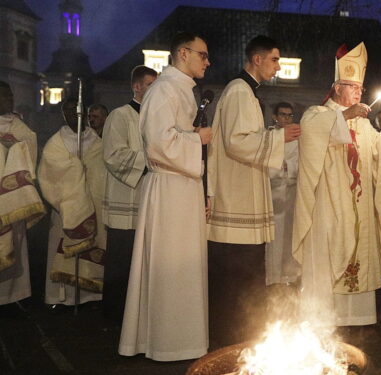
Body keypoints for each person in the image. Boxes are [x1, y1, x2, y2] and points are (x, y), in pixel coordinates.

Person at [119, 32, 212, 361]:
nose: (207, 61)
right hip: (169, 187)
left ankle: (182, 339)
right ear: (183, 53)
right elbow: (159, 143)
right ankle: (166, 340)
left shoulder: (179, 88)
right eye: (202, 55)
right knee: (170, 264)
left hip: (182, 187)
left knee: (183, 264)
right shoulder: (163, 90)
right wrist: (198, 139)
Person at [206, 35, 300, 346]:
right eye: (274, 60)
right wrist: (278, 138)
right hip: (236, 201)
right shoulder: (238, 91)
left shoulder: (247, 92)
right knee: (236, 278)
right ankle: (230, 343)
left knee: (245, 277)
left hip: (245, 196)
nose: (278, 66)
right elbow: (236, 142)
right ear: (257, 60)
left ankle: (242, 340)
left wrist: (274, 138)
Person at [293, 42, 381, 327]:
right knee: (330, 253)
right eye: (352, 87)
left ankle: (356, 319)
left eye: (361, 88)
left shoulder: (364, 124)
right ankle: (324, 320)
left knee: (359, 248)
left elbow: (376, 160)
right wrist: (343, 117)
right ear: (337, 88)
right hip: (328, 205)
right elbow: (311, 133)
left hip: (359, 204)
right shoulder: (318, 113)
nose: (358, 92)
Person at [100, 65, 157, 322]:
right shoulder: (119, 116)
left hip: (149, 200)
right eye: (150, 86)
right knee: (121, 263)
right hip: (125, 199)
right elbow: (113, 155)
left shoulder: (156, 119)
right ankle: (114, 317)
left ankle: (137, 316)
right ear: (137, 86)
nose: (155, 91)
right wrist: (151, 160)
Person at [38, 98, 107, 307]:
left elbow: (103, 167)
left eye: (76, 111)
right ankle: (61, 297)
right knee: (63, 247)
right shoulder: (56, 143)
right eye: (67, 111)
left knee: (92, 247)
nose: (73, 115)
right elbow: (48, 173)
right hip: (67, 207)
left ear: (83, 113)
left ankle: (89, 295)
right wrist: (75, 169)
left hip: (92, 206)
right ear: (62, 114)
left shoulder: (96, 140)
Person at [0, 81, 45, 310]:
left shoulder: (19, 124)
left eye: (10, 95)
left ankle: (13, 297)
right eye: (3, 95)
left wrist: (15, 146)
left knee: (15, 244)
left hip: (15, 198)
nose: (8, 99)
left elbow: (31, 144)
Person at [265, 102, 301, 286]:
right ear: (275, 117)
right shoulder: (269, 137)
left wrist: (291, 168)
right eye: (283, 115)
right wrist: (280, 168)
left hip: (292, 193)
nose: (287, 119)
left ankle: (291, 276)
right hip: (274, 192)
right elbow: (264, 161)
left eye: (290, 115)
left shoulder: (297, 138)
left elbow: (301, 162)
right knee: (275, 236)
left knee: (291, 234)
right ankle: (273, 276)